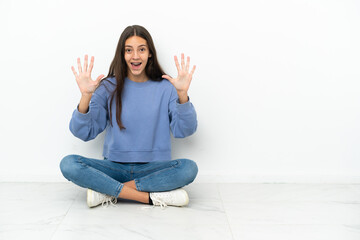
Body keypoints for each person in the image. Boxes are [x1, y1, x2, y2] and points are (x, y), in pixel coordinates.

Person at [59, 25, 198, 208]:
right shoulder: (108, 86)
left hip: (153, 169)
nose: (135, 56)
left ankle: (108, 191)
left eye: (141, 49)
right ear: (122, 54)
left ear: (150, 53)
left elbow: (185, 130)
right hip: (114, 168)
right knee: (68, 164)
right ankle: (149, 197)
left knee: (189, 168)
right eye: (128, 50)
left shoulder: (166, 87)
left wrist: (182, 94)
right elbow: (83, 132)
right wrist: (86, 96)